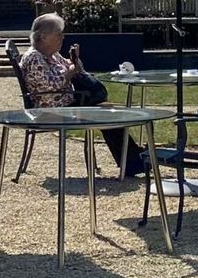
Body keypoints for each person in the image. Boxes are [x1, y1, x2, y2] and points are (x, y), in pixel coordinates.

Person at [17, 12, 147, 174]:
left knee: (107, 110)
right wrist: (71, 71)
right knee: (106, 113)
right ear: (44, 36)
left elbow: (76, 69)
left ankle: (132, 160)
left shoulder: (52, 55)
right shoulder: (35, 58)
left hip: (65, 103)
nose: (62, 38)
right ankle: (133, 162)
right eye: (59, 34)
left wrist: (75, 60)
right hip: (50, 110)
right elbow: (53, 86)